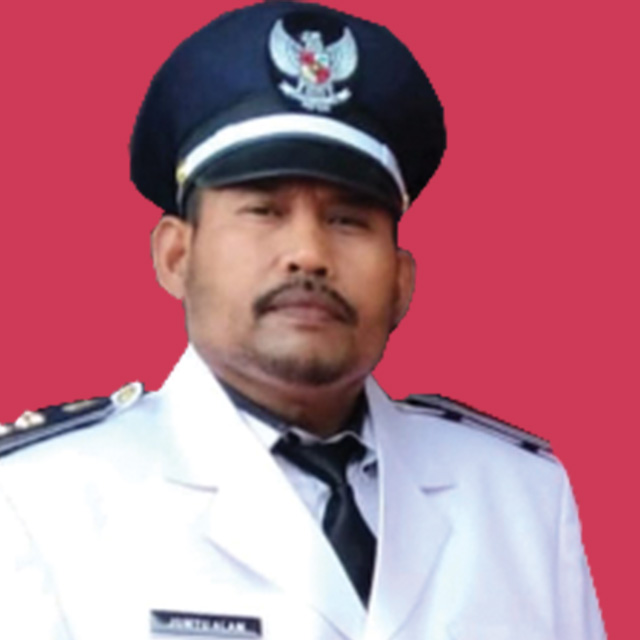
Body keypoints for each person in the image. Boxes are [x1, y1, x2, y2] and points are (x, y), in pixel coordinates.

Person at [0, 2, 606, 638]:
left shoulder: (522, 501)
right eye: (264, 210)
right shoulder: (39, 503)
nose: (309, 253)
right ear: (177, 256)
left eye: (348, 219)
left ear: (402, 281)